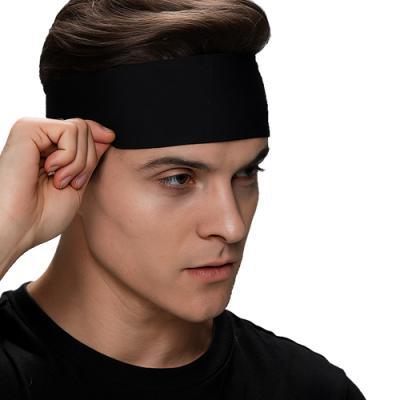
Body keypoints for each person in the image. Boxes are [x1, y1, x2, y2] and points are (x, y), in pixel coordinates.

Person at [0, 1, 366, 399]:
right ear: (71, 172)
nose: (231, 226)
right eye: (178, 179)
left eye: (246, 173)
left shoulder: (309, 391)